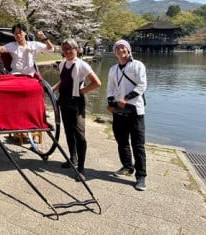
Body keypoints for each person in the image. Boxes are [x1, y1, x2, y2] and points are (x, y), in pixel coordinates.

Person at [52, 39, 101, 180]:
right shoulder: (62, 64)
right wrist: (52, 89)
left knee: (80, 134)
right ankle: (72, 159)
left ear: (76, 49)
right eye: (65, 49)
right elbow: (64, 80)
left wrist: (81, 92)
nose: (67, 51)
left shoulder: (82, 65)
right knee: (68, 131)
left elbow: (97, 83)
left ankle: (81, 168)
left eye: (70, 48)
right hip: (64, 101)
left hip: (77, 103)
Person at [106, 39, 148, 191]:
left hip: (135, 109)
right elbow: (110, 87)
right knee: (122, 140)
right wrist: (111, 103)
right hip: (119, 109)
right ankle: (127, 166)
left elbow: (142, 85)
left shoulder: (138, 65)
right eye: (117, 49)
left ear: (129, 50)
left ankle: (141, 175)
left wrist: (127, 98)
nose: (120, 51)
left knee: (138, 143)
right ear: (115, 52)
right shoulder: (113, 69)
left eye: (123, 48)